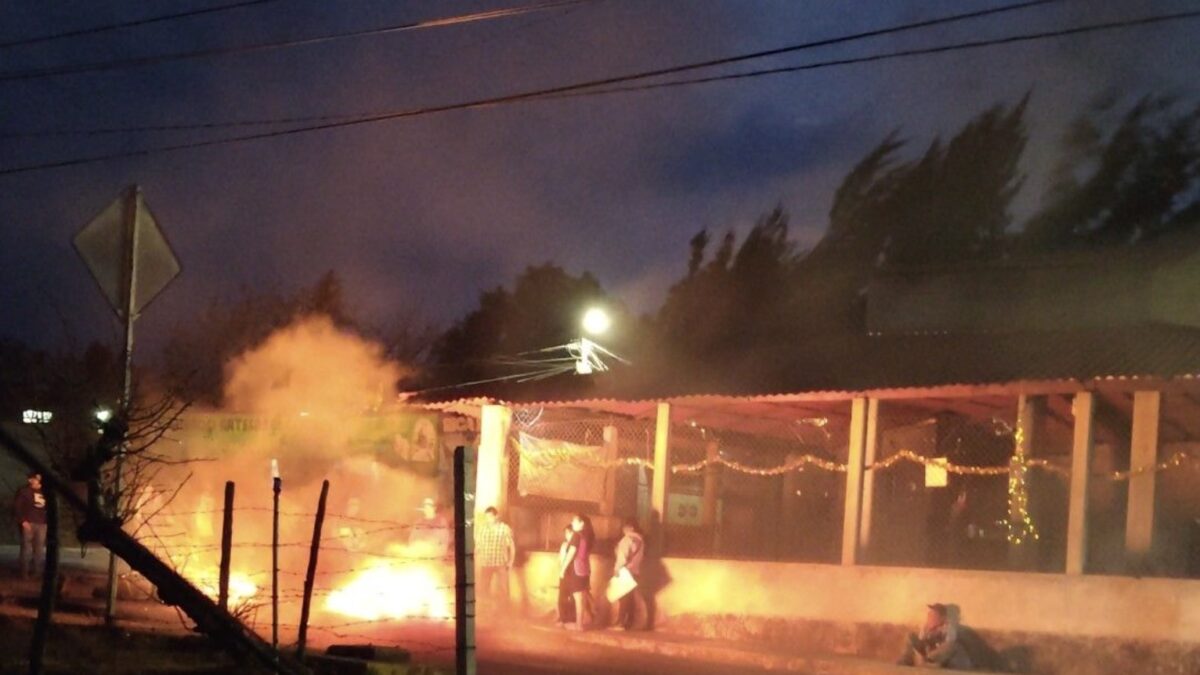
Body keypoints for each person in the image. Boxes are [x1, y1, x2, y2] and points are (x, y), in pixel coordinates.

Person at [898, 603, 973, 669]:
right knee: (910, 636)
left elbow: (949, 646)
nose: (929, 618)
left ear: (942, 618)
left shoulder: (948, 628)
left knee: (951, 646)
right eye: (929, 615)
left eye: (933, 616)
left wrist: (940, 633)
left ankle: (928, 660)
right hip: (931, 659)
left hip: (949, 662)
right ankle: (904, 662)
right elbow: (921, 646)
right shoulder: (926, 628)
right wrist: (928, 634)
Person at [475, 506, 516, 612]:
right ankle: (485, 611)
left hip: (500, 564)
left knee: (503, 589)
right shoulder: (482, 529)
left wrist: (511, 562)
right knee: (484, 589)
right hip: (486, 563)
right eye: (486, 517)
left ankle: (504, 611)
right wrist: (473, 558)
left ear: (496, 516)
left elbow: (511, 546)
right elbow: (478, 547)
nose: (488, 519)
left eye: (490, 517)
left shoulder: (504, 529)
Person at [610, 518, 648, 631]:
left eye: (625, 527)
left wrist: (616, 569)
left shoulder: (627, 540)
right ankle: (629, 622)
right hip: (635, 571)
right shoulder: (640, 540)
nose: (623, 530)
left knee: (623, 598)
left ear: (631, 528)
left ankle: (621, 623)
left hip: (625, 571)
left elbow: (622, 557)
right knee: (630, 598)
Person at [559, 514, 594, 631]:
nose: (572, 523)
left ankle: (579, 625)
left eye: (574, 521)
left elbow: (571, 553)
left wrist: (563, 568)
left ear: (581, 523)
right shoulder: (588, 535)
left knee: (578, 597)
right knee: (582, 596)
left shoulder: (576, 535)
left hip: (576, 568)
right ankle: (580, 623)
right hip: (585, 569)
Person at [13, 472, 47, 579]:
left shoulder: (45, 492)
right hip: (29, 523)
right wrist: (23, 521)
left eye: (37, 478)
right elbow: (17, 507)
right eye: (33, 478)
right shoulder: (24, 491)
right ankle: (24, 573)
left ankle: (37, 572)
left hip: (42, 523)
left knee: (39, 549)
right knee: (26, 548)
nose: (36, 480)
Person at [555, 526, 577, 626]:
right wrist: (561, 569)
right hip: (564, 572)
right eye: (566, 533)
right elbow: (560, 558)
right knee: (562, 596)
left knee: (572, 596)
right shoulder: (564, 545)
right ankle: (563, 618)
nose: (567, 535)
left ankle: (571, 619)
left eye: (568, 533)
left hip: (572, 572)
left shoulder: (575, 545)